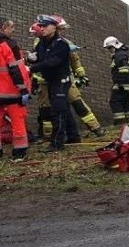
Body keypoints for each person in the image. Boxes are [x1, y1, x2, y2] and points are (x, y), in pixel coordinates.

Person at [27, 14, 75, 152]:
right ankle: (74, 135)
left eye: (45, 26)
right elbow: (39, 58)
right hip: (51, 80)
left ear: (54, 27)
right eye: (40, 26)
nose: (41, 29)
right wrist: (31, 59)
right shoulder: (42, 43)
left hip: (60, 80)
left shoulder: (61, 44)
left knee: (57, 110)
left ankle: (56, 143)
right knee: (63, 108)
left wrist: (32, 68)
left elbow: (51, 62)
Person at [54, 16, 106, 137]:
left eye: (63, 29)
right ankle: (51, 136)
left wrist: (81, 75)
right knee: (49, 110)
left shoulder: (67, 43)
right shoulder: (41, 43)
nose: (63, 31)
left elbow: (75, 61)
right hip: (49, 82)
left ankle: (96, 128)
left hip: (66, 79)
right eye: (61, 29)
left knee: (78, 103)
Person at [0, 18, 31, 161]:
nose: (13, 30)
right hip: (11, 93)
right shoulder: (9, 45)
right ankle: (20, 152)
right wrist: (24, 89)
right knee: (17, 122)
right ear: (3, 28)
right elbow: (16, 70)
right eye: (11, 27)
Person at [103, 36, 129, 124]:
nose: (109, 50)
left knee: (114, 101)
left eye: (110, 48)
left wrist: (119, 84)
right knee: (125, 103)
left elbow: (124, 70)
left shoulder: (119, 55)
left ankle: (120, 123)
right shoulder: (121, 54)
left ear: (115, 45)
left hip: (122, 85)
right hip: (127, 86)